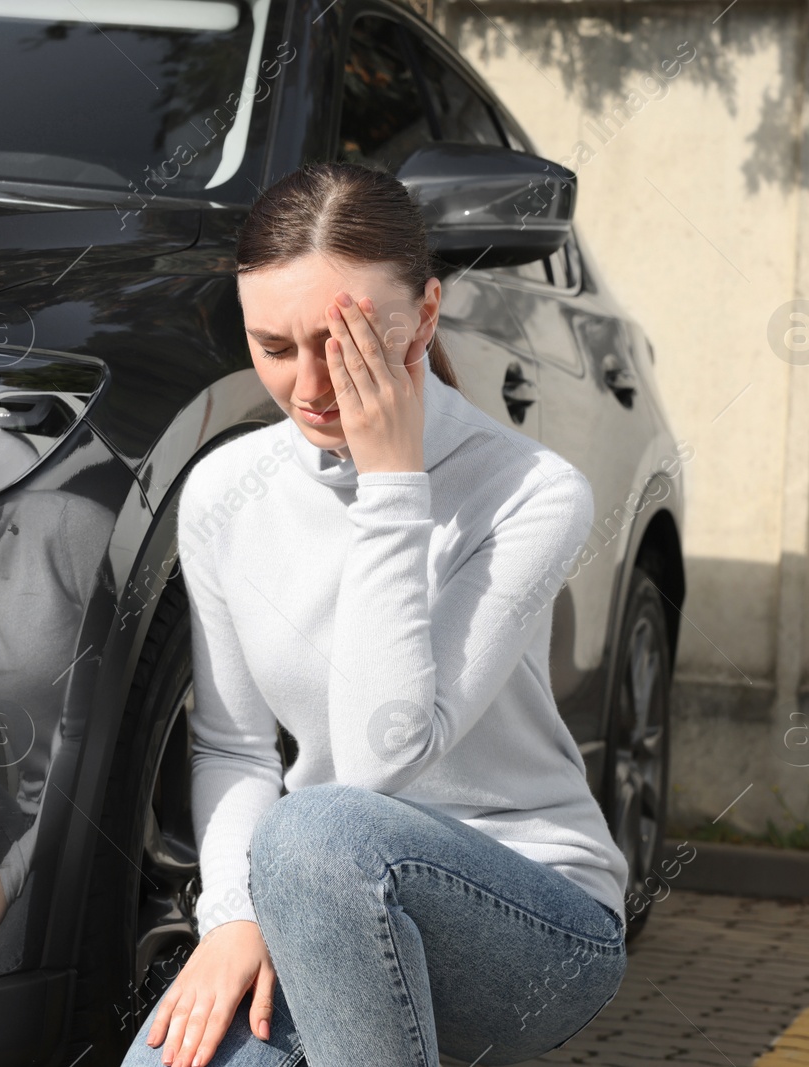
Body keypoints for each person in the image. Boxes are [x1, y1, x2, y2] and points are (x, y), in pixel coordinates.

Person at [117, 162, 630, 1067]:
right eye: (275, 347)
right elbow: (233, 750)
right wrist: (235, 916)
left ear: (425, 317)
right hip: (313, 890)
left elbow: (381, 755)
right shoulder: (225, 493)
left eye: (344, 340)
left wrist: (395, 481)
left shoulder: (533, 494)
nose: (313, 384)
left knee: (319, 827)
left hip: (530, 915)